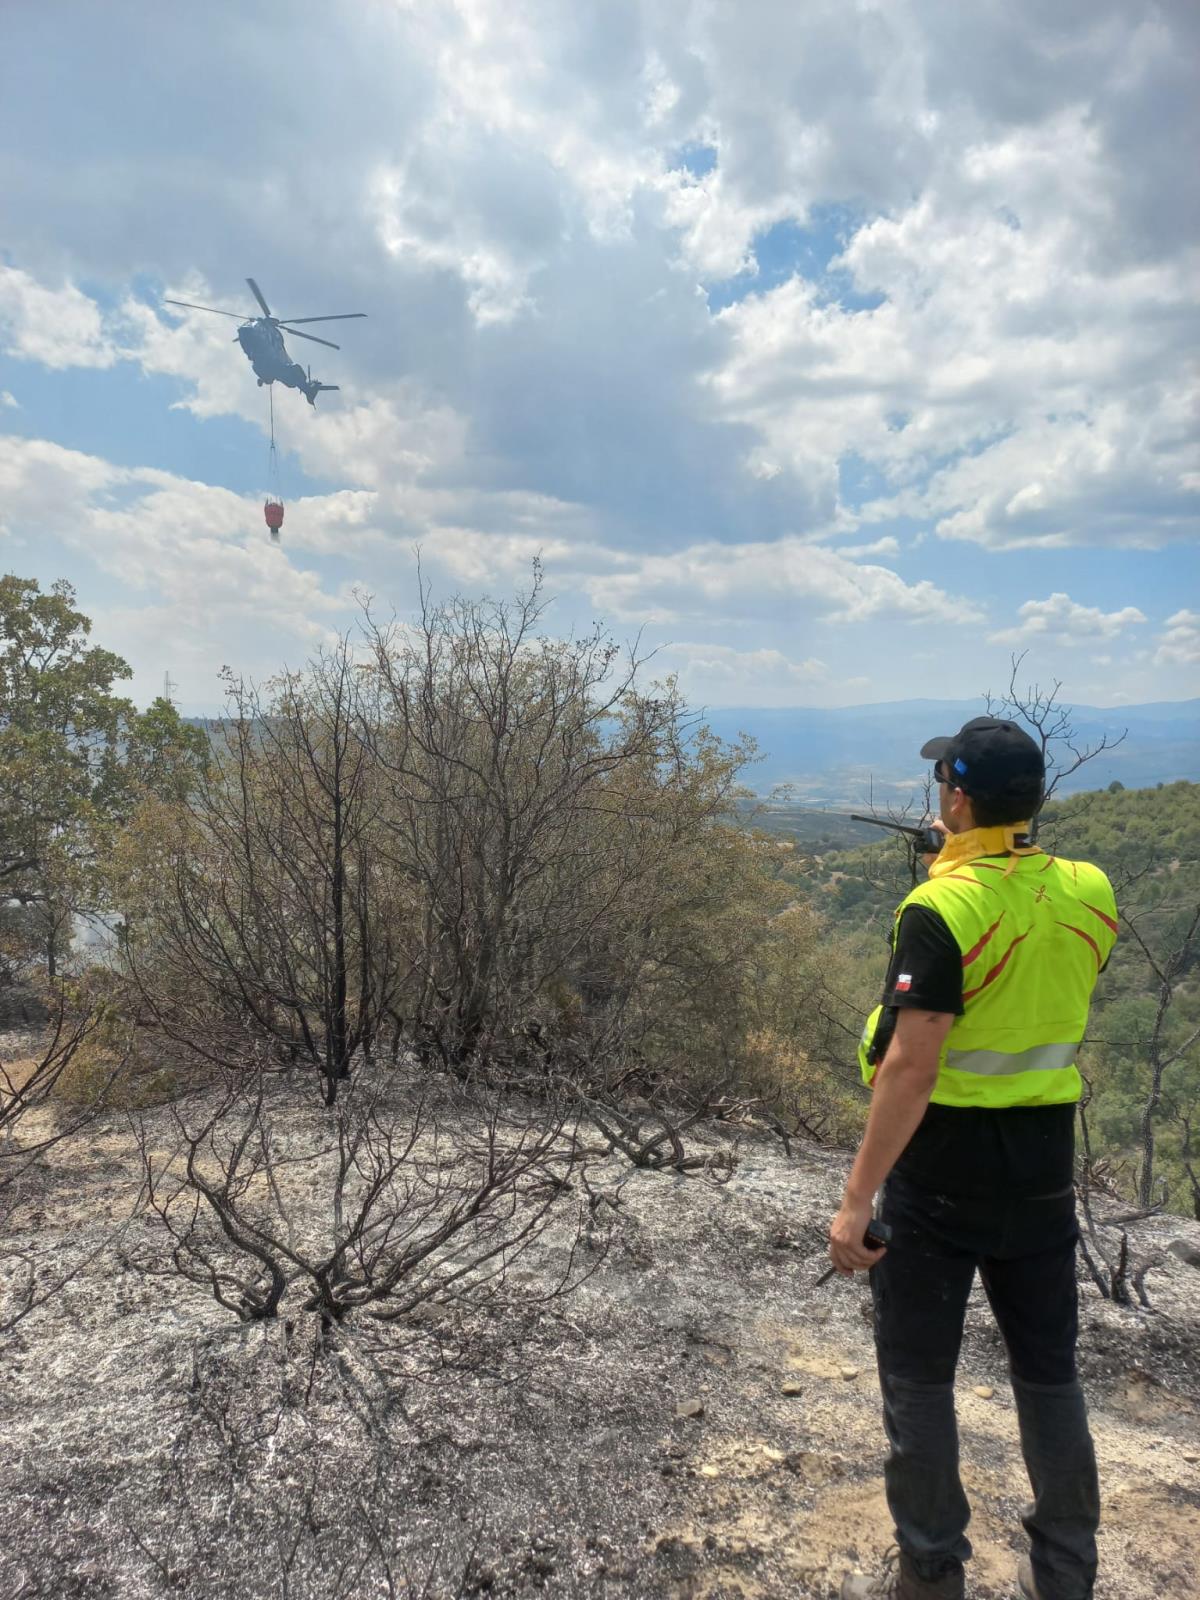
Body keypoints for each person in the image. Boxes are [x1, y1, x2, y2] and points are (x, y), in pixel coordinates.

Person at [830, 717, 1117, 1600]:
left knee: (919, 1375)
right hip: (1041, 1169)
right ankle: (1067, 1573)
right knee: (1048, 1375)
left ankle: (931, 1567)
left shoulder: (938, 909)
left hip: (942, 1168)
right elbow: (1028, 960)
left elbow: (909, 1066)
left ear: (955, 796)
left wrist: (854, 1203)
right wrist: (964, 861)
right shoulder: (1091, 889)